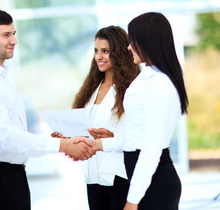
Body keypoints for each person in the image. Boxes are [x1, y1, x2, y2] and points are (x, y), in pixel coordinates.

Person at [0, 8, 96, 210]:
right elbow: (5, 137)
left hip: (10, 178)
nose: (14, 41)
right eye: (6, 35)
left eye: (14, 34)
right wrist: (62, 146)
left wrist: (56, 139)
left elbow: (10, 129)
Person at [80, 12, 188, 210]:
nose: (128, 47)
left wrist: (132, 200)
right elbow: (134, 139)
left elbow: (151, 148)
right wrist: (98, 144)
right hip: (143, 179)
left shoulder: (159, 84)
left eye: (133, 41)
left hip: (154, 184)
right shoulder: (148, 78)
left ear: (148, 42)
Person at [52, 26, 140, 210]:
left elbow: (138, 134)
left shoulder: (133, 89)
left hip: (120, 174)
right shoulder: (92, 88)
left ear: (119, 53)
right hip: (93, 175)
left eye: (105, 51)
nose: (99, 56)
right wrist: (68, 137)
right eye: (96, 51)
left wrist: (111, 137)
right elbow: (86, 128)